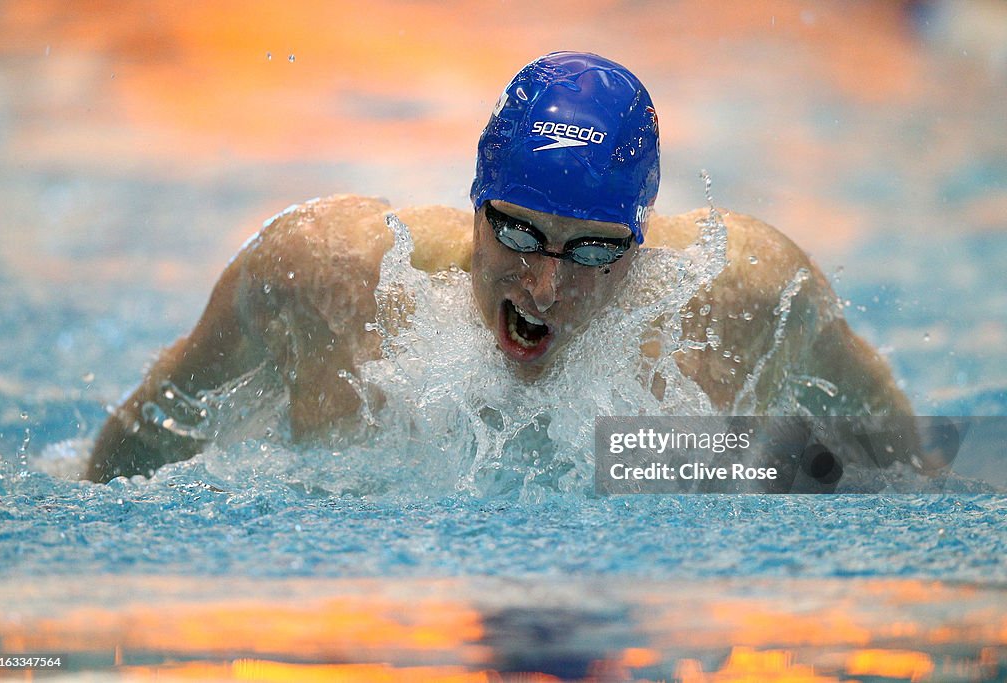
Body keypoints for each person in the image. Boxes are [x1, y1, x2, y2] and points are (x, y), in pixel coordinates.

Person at [85, 52, 916, 483]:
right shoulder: (324, 278)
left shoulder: (750, 297)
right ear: (476, 204)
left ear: (639, 239)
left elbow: (910, 466)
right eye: (518, 234)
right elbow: (126, 463)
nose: (546, 287)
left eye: (592, 248)